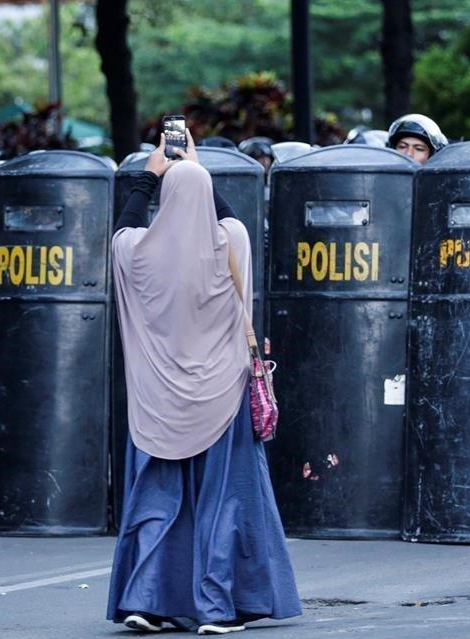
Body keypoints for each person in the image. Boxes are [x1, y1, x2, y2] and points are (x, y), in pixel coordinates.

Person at [106, 131, 302, 635]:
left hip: (156, 404)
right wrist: (196, 169)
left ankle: (145, 602)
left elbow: (123, 225)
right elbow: (231, 217)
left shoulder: (134, 254)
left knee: (156, 500)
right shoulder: (230, 244)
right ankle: (220, 610)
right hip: (222, 399)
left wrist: (152, 176)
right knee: (224, 502)